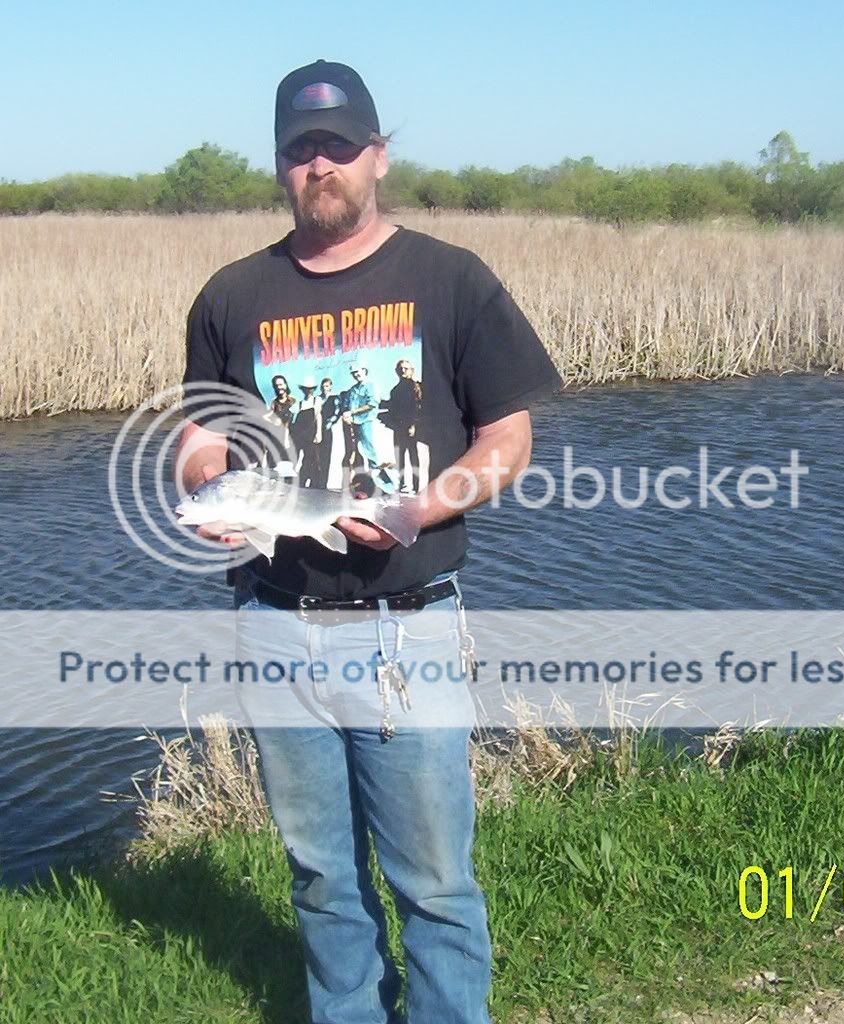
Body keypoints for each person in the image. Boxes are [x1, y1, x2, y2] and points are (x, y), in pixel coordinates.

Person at [176, 59, 561, 1024]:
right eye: (302, 151)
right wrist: (213, 495)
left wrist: (417, 511)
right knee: (319, 877)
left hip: (408, 628)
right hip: (274, 625)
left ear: (378, 156)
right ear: (278, 166)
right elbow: (199, 444)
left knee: (433, 881)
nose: (321, 167)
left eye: (339, 148)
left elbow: (507, 441)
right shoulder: (229, 297)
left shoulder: (451, 278)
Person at [382, 358, 423, 492]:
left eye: (406, 368)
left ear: (412, 370)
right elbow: (394, 408)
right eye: (401, 369)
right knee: (399, 457)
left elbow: (418, 407)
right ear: (396, 371)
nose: (403, 371)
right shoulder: (395, 390)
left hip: (411, 427)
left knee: (413, 456)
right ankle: (401, 484)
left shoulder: (416, 387)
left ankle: (416, 486)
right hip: (398, 428)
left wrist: (414, 425)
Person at [292, 375, 322, 487]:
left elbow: (318, 416)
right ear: (303, 389)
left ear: (314, 389)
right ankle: (297, 482)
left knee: (310, 458)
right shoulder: (300, 403)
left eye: (311, 388)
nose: (308, 391)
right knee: (296, 457)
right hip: (299, 433)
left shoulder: (316, 400)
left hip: (311, 433)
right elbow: (294, 420)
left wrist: (319, 433)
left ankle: (308, 482)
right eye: (306, 388)